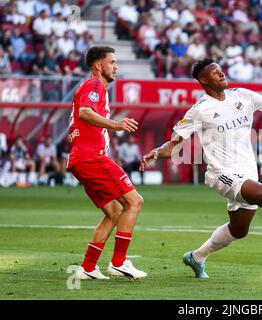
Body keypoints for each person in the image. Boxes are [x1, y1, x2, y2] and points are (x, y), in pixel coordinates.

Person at [140, 58, 262, 279]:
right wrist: (157, 152)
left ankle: (197, 256)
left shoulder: (242, 95)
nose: (221, 73)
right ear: (204, 80)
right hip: (221, 174)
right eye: (215, 72)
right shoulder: (200, 110)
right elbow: (174, 144)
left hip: (248, 171)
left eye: (221, 70)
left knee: (239, 230)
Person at [67, 46, 146, 280]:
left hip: (82, 159)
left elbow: (77, 121)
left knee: (114, 212)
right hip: (92, 157)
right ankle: (119, 262)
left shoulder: (90, 86)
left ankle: (88, 267)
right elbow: (84, 112)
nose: (116, 66)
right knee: (135, 201)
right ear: (98, 65)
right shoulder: (94, 84)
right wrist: (116, 124)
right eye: (112, 62)